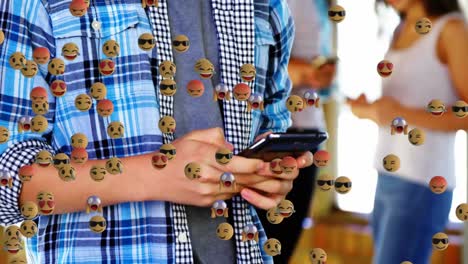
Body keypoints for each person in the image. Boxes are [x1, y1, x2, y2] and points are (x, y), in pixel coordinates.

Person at [0, 0, 314, 263]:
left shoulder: (266, 4)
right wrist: (155, 175)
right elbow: (7, 179)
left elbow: (272, 124)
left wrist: (266, 173)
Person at [347, 0, 468, 263]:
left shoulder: (451, 29)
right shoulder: (399, 29)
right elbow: (396, 111)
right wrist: (369, 110)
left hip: (423, 179)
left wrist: (400, 114)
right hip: (386, 175)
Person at [256, 0, 336, 263]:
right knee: (261, 245)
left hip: (308, 133)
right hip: (268, 136)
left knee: (284, 247)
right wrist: (296, 72)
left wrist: (322, 76)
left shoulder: (323, 5)